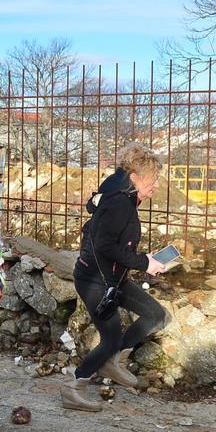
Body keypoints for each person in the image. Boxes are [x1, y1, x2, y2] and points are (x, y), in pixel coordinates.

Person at [67, 142, 169, 412]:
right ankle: (74, 389)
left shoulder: (122, 197)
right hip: (94, 280)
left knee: (155, 315)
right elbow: (105, 246)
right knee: (111, 339)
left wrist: (147, 259)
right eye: (153, 178)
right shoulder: (120, 203)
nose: (157, 184)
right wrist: (144, 262)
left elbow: (115, 243)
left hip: (112, 278)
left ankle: (114, 362)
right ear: (135, 177)